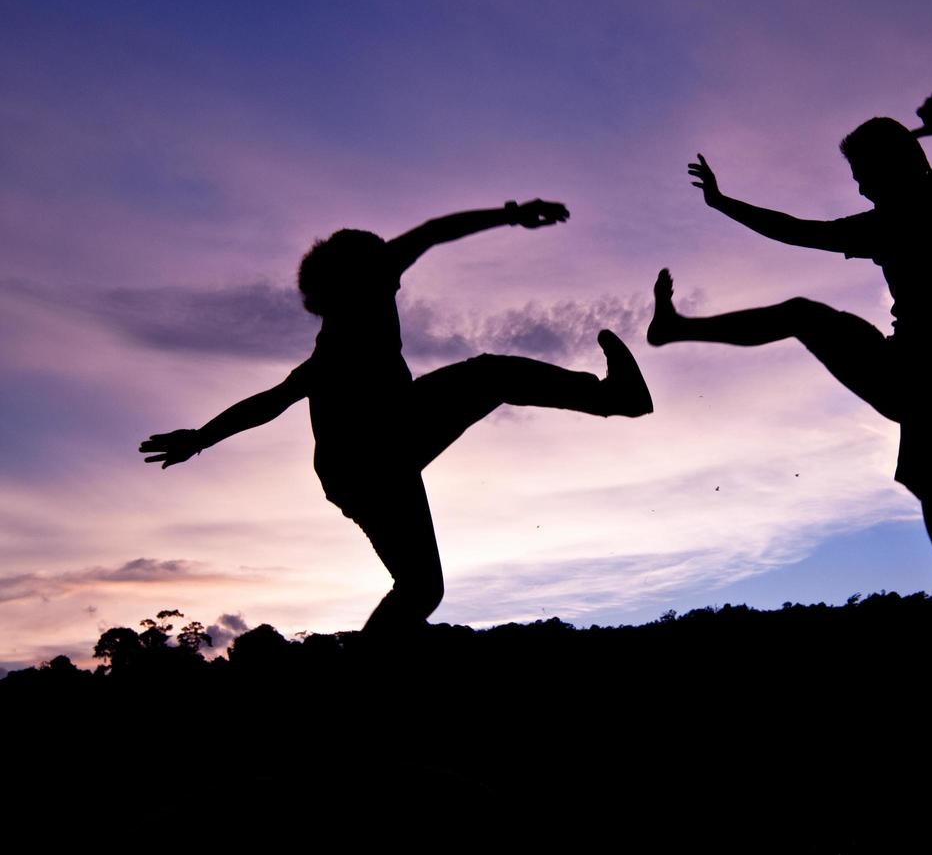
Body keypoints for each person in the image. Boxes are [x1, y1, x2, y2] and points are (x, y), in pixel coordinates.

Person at [141, 200, 652, 636]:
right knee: (490, 378)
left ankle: (616, 398)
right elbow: (270, 402)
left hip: (379, 455)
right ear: (360, 283)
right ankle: (613, 398)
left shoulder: (355, 308)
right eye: (388, 274)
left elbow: (430, 235)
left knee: (423, 586)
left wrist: (512, 215)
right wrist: (201, 437)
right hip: (371, 461)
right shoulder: (342, 338)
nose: (398, 282)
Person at [648, 83, 932, 603]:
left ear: (889, 168)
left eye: (864, 178)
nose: (862, 191)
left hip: (931, 384)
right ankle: (677, 329)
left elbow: (797, 231)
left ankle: (677, 329)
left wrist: (722, 202)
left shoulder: (897, 217)